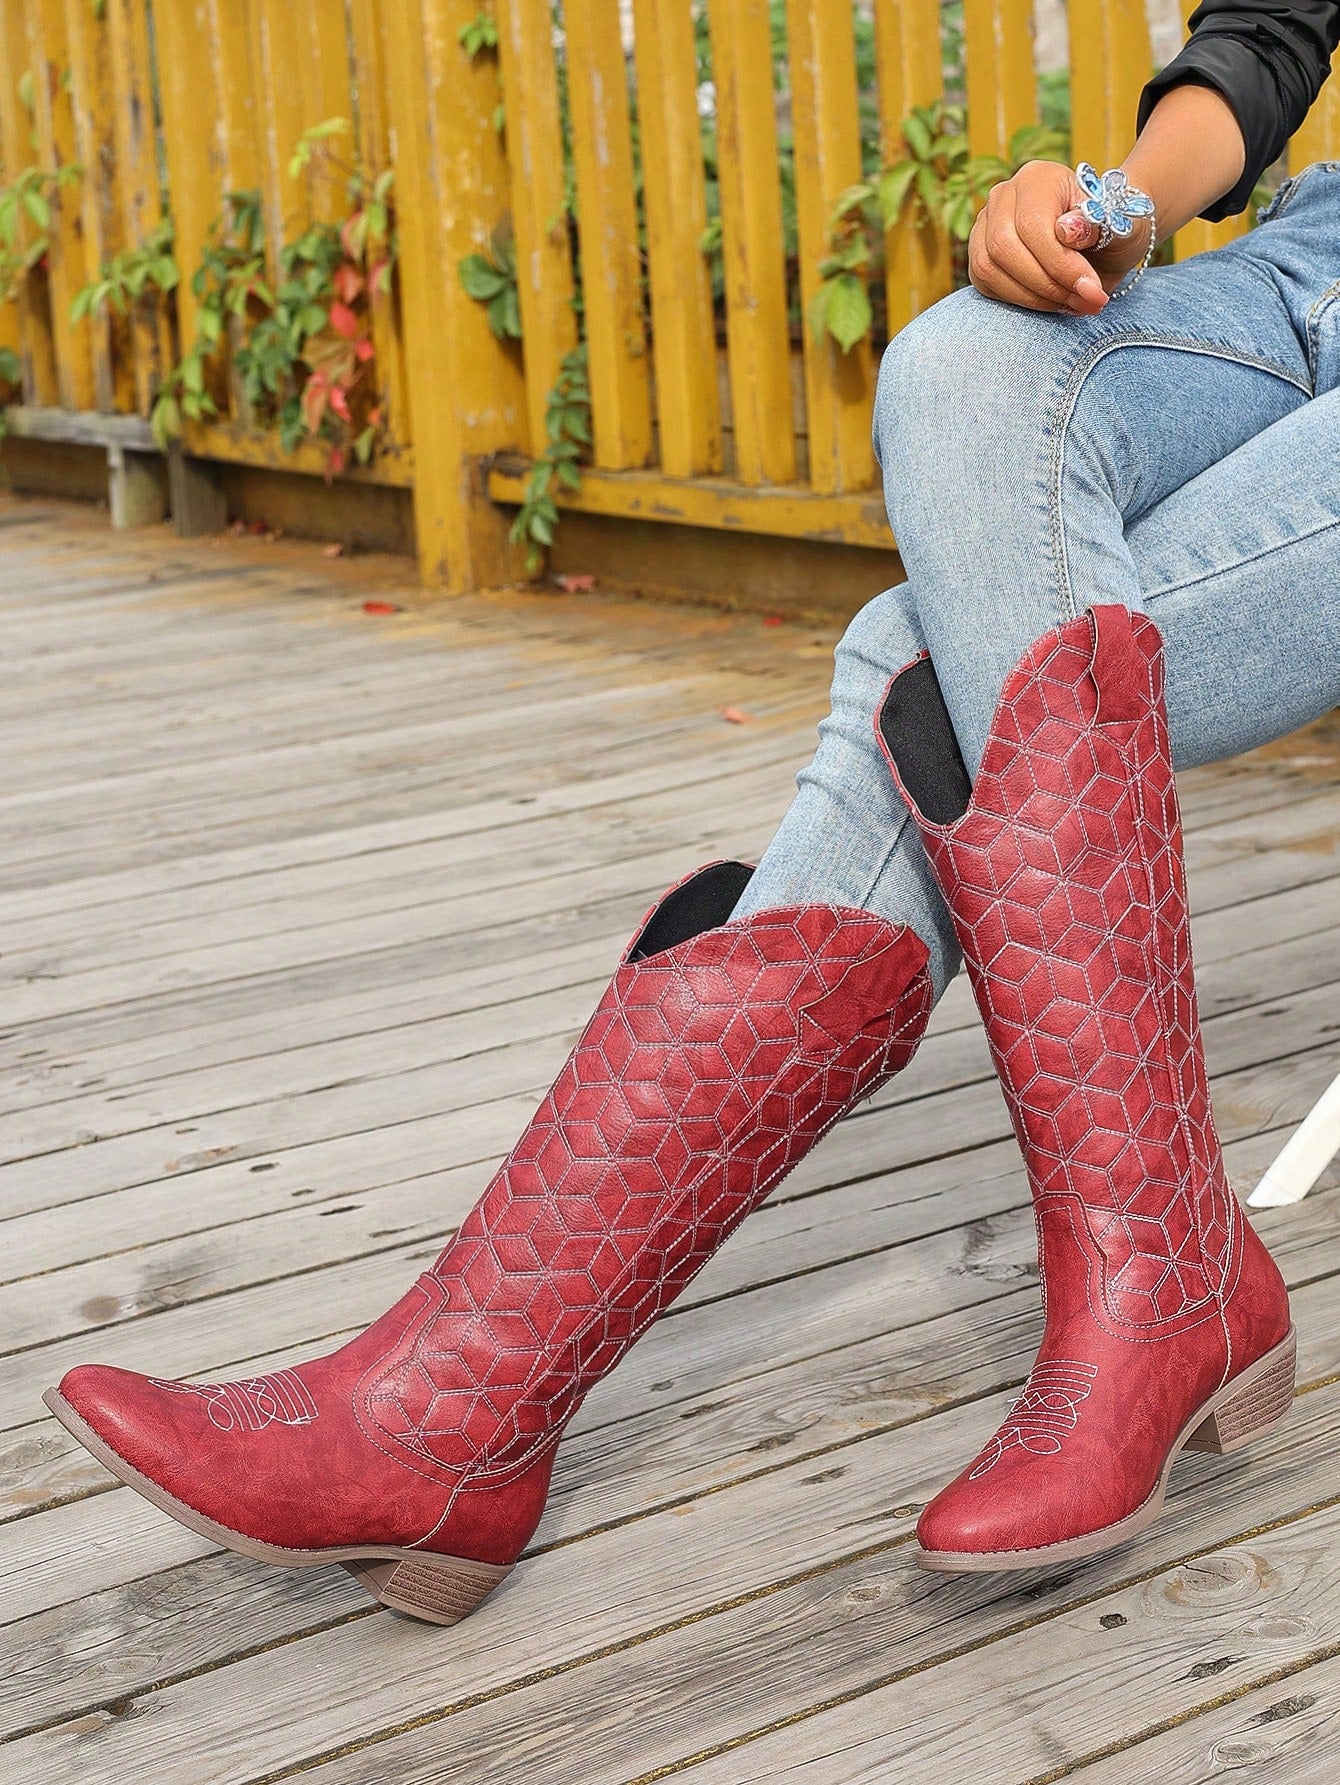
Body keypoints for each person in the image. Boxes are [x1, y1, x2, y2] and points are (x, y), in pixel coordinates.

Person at [46, 3, 1340, 1620]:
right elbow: (1272, 34)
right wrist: (1117, 203)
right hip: (1303, 269)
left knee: (913, 667)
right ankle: (1175, 1276)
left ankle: (456, 1410)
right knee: (960, 366)